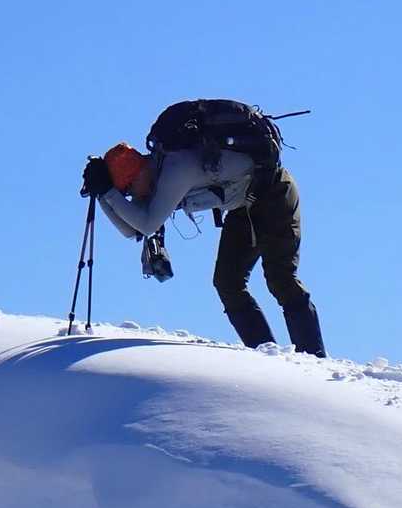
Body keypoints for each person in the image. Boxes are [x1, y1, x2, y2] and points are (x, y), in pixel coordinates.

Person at [81, 138, 326, 357]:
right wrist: (103, 195)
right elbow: (132, 230)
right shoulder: (151, 174)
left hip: (274, 193)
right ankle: (265, 355)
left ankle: (313, 359)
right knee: (227, 282)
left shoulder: (175, 169)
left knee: (281, 278)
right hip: (244, 206)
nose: (131, 195)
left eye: (128, 189)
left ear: (137, 174)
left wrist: (110, 193)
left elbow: (146, 225)